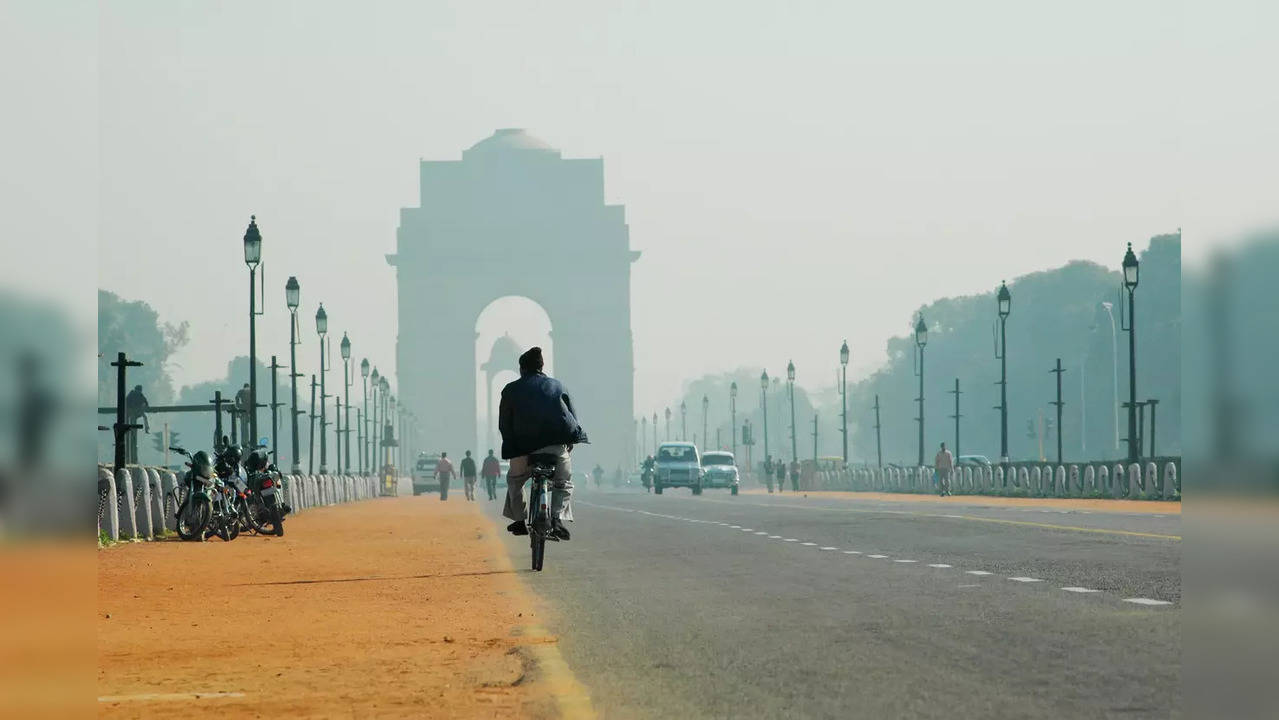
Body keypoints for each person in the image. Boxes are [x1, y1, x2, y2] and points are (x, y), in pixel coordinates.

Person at [499, 347, 589, 541]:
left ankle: (519, 520)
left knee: (515, 481)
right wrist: (571, 440)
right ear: (542, 367)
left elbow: (504, 424)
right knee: (562, 481)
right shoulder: (558, 386)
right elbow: (572, 417)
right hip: (554, 447)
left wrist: (510, 443)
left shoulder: (510, 390)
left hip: (522, 449)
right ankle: (557, 518)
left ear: (522, 369)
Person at [124, 384, 150, 464]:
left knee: (145, 417)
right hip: (131, 411)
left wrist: (144, 406)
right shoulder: (133, 394)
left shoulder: (137, 394)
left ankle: (147, 428)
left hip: (134, 411)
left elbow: (145, 402)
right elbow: (126, 402)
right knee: (144, 417)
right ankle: (146, 429)